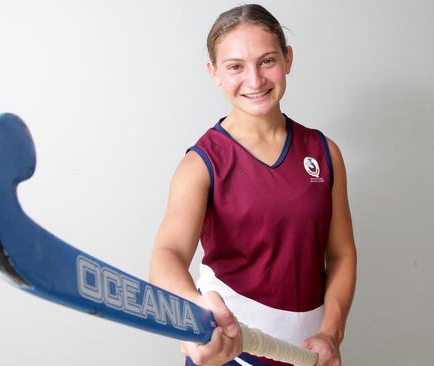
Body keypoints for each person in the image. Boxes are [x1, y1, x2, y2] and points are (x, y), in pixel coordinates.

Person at [149, 4, 356, 366]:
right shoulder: (201, 163)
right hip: (230, 352)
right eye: (235, 67)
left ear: (287, 59)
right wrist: (193, 307)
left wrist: (331, 333)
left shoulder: (324, 152)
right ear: (213, 72)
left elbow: (340, 254)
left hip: (309, 356)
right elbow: (167, 254)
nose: (255, 80)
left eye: (267, 61)